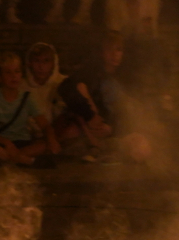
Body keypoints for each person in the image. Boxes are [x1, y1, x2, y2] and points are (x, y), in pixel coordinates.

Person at [58, 31, 152, 162]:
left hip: (114, 131)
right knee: (71, 131)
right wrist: (90, 115)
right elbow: (66, 88)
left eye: (118, 49)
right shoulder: (91, 72)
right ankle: (97, 150)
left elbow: (130, 112)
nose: (114, 54)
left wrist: (112, 128)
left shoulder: (126, 77)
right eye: (109, 49)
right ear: (102, 52)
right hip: (92, 127)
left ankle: (105, 152)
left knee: (142, 146)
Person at [0, 52, 59, 166]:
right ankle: (27, 161)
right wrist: (6, 143)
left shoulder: (27, 97)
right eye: (8, 72)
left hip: (22, 143)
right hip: (0, 142)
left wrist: (52, 139)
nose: (14, 76)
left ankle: (6, 158)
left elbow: (44, 124)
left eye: (17, 71)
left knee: (44, 145)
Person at [23, 41, 67, 123]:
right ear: (29, 63)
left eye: (46, 61)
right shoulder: (21, 86)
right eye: (36, 61)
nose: (41, 66)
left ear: (53, 63)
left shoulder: (64, 84)